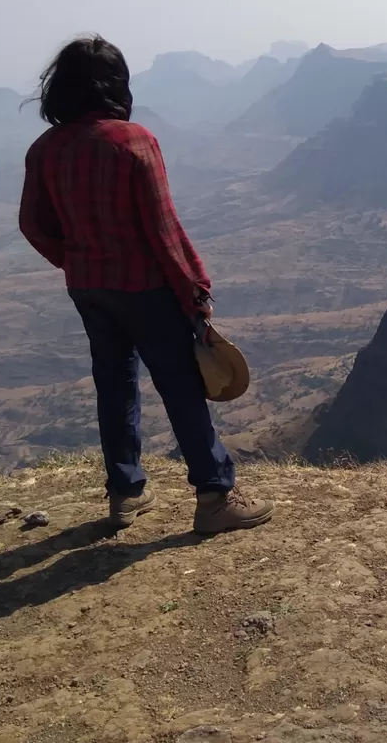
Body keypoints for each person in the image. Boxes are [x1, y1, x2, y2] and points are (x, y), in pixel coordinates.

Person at [18, 34, 273, 533]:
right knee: (180, 385)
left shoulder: (45, 149)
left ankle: (126, 493)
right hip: (145, 288)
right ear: (116, 84)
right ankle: (215, 497)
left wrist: (73, 260)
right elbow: (163, 228)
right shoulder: (132, 140)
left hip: (89, 289)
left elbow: (32, 223)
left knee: (113, 384)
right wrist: (195, 288)